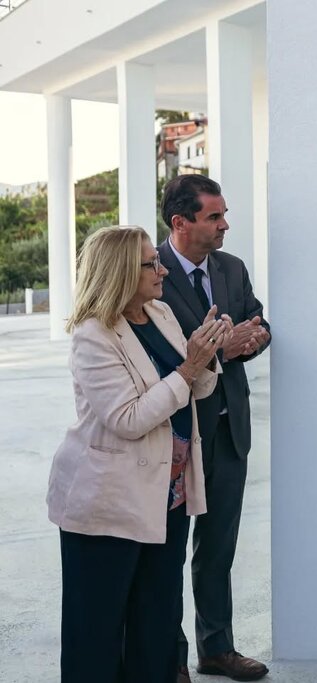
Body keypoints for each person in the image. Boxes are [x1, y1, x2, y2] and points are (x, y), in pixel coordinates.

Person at [47, 225, 228, 682]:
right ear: (121, 272)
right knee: (97, 631)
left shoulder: (159, 312)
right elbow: (128, 418)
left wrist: (207, 354)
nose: (162, 269)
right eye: (151, 263)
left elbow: (194, 388)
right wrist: (189, 366)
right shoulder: (94, 335)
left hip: (168, 497)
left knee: (156, 623)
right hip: (110, 503)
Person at [158, 174, 271, 682]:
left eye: (224, 215)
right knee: (166, 550)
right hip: (175, 433)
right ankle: (169, 657)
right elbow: (153, 354)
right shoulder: (150, 272)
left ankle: (216, 649)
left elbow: (257, 321)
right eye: (214, 217)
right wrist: (217, 350)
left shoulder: (232, 268)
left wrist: (255, 337)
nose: (225, 225)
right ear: (180, 222)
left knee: (218, 547)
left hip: (227, 431)